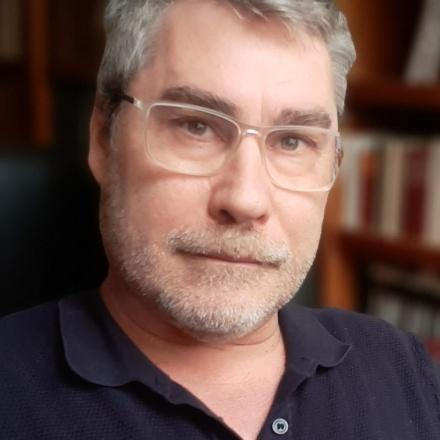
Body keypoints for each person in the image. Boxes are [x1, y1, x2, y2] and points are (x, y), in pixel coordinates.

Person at [1, 1, 439, 439]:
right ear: (103, 139)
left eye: (292, 141)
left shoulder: (403, 368)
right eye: (196, 126)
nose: (245, 200)